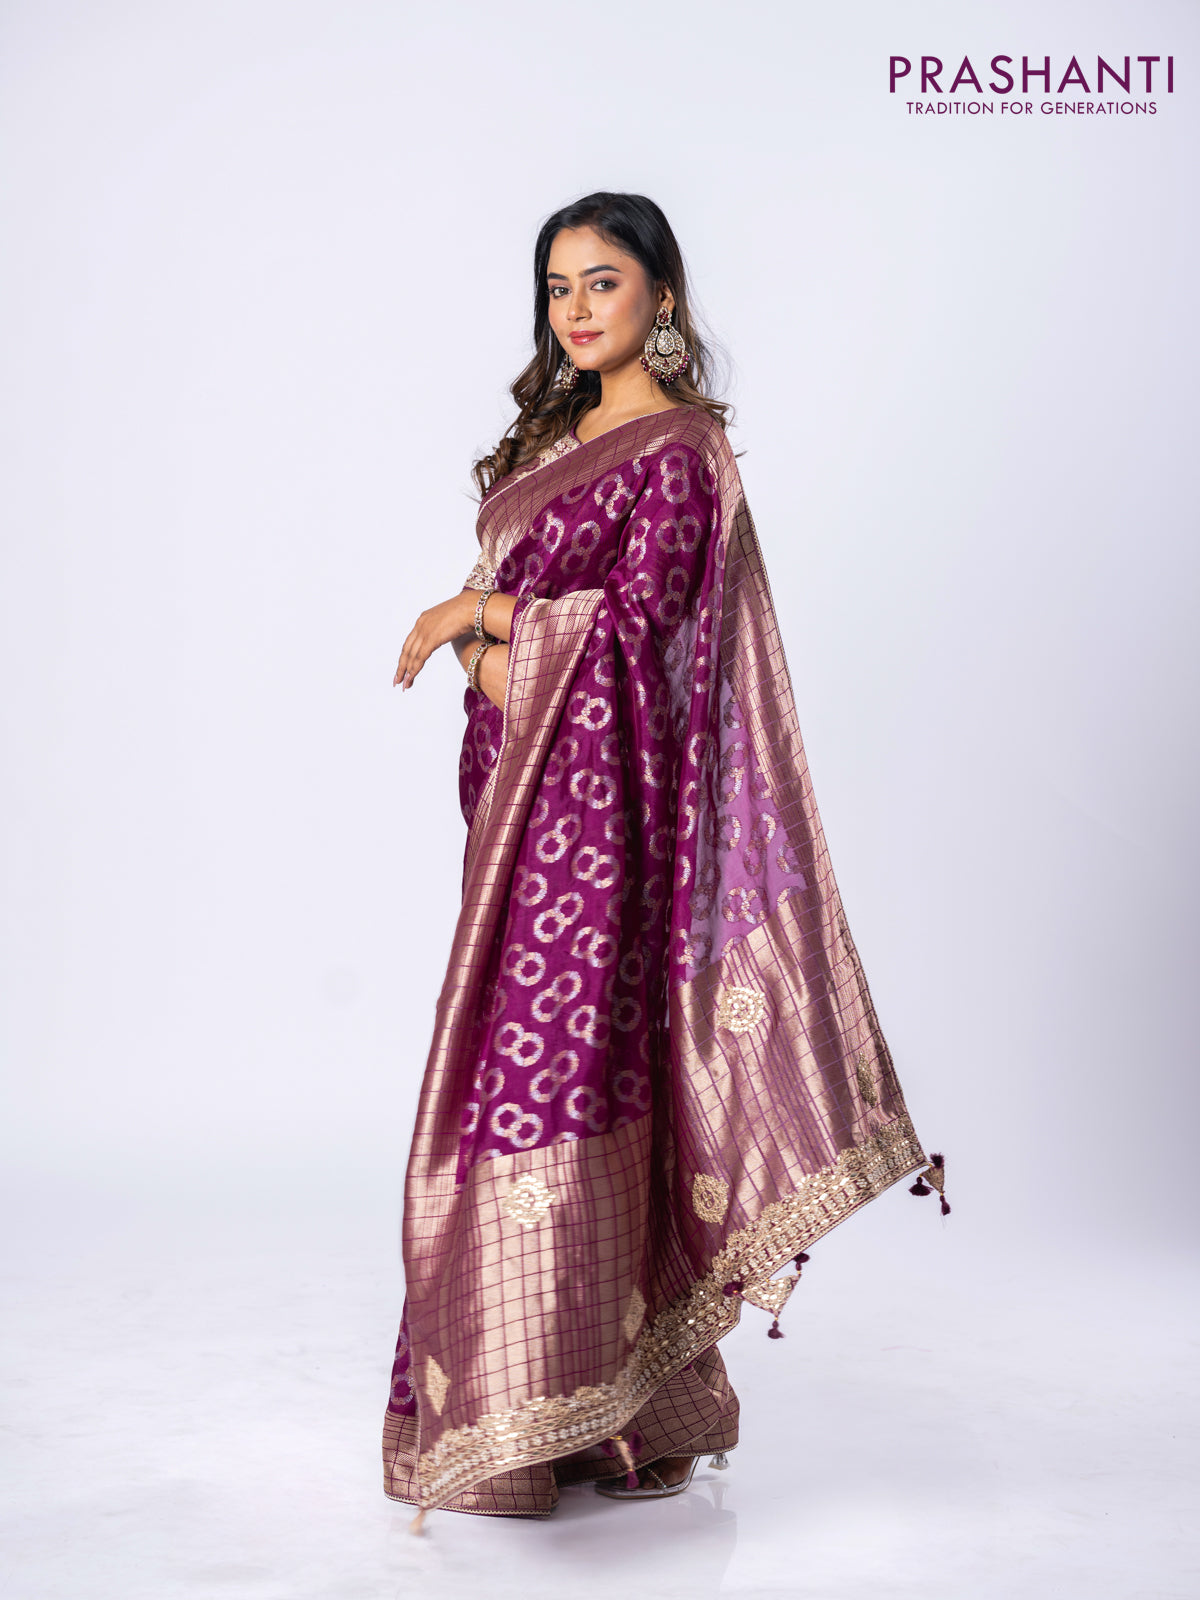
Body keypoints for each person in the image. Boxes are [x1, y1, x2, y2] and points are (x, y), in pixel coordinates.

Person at [384, 192, 942, 1527]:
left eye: (604, 281)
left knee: (573, 1086)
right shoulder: (549, 446)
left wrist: (474, 615)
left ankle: (591, 1423)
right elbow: (528, 656)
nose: (577, 309)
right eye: (558, 287)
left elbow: (638, 638)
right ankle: (556, 1414)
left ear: (664, 298)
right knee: (516, 1091)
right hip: (516, 821)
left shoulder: (683, 453)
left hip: (605, 838)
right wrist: (486, 652)